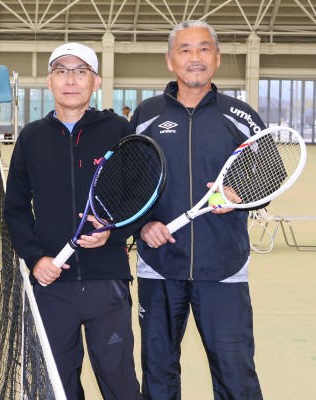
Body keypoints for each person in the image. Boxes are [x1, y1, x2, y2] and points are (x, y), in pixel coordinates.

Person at [131, 20, 264, 399]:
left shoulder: (241, 116)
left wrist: (240, 193)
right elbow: (126, 183)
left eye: (204, 49)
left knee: (235, 374)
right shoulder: (146, 115)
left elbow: (271, 175)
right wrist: (143, 225)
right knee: (158, 373)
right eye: (185, 49)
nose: (195, 57)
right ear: (170, 60)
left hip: (223, 266)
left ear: (217, 58)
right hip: (160, 264)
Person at [4, 42, 142, 400]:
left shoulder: (118, 129)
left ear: (95, 82)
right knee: (56, 387)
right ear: (49, 81)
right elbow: (15, 207)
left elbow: (141, 196)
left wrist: (113, 232)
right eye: (62, 71)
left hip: (106, 281)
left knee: (120, 383)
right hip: (52, 283)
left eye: (81, 72)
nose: (70, 80)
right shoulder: (31, 137)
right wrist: (36, 259)